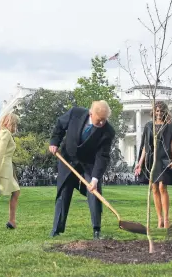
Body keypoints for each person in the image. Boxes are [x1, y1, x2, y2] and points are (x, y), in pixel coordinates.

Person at [48, 100, 115, 239]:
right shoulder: (75, 113)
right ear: (91, 113)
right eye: (99, 120)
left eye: (104, 120)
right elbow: (60, 125)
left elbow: (102, 156)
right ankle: (57, 229)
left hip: (89, 165)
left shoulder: (108, 131)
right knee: (64, 192)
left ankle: (96, 230)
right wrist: (54, 142)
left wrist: (95, 179)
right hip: (68, 159)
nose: (102, 123)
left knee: (94, 193)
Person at [134, 101, 172, 229]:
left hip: (164, 159)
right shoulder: (148, 126)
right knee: (154, 188)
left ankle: (166, 219)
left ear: (165, 112)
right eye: (157, 111)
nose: (159, 113)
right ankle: (159, 219)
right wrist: (139, 163)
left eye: (161, 111)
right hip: (152, 160)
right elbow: (145, 147)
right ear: (153, 112)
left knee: (162, 188)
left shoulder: (169, 126)